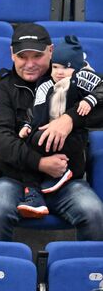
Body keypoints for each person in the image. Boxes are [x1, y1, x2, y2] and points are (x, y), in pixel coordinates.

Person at [0, 23, 103, 241]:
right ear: (12, 55)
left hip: (66, 180)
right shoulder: (3, 88)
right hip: (15, 179)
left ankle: (91, 274)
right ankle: (2, 273)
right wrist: (40, 163)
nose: (30, 64)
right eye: (22, 57)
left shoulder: (69, 77)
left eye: (37, 56)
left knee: (94, 212)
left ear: (51, 51)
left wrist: (69, 119)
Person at [15, 35, 103, 218]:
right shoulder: (45, 84)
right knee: (30, 144)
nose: (60, 72)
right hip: (46, 129)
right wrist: (28, 125)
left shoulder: (81, 79)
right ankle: (33, 194)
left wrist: (90, 99)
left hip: (73, 135)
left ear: (76, 68)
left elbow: (101, 86)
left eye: (66, 68)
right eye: (55, 67)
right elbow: (35, 109)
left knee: (69, 143)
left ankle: (65, 172)